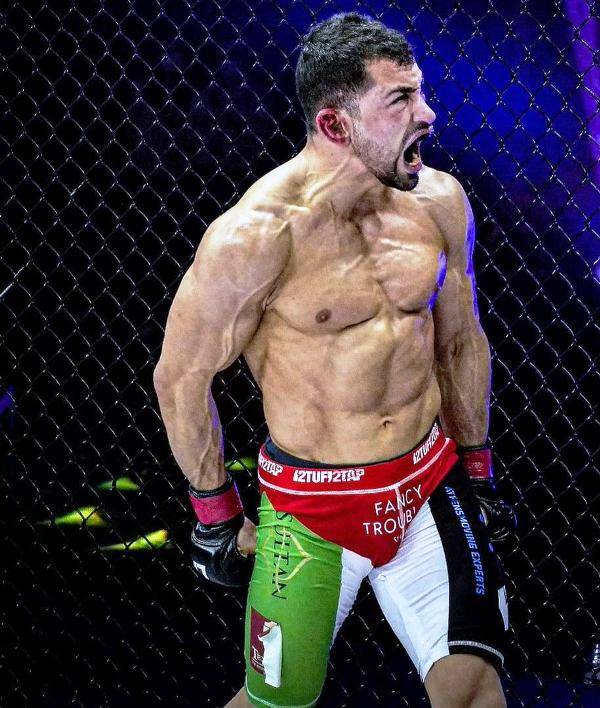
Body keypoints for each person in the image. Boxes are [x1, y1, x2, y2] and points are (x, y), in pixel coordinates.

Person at [153, 12, 517, 708]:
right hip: (311, 509)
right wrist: (215, 513)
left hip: (426, 486)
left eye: (420, 92)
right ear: (334, 124)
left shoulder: (439, 202)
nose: (427, 114)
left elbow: (460, 342)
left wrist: (477, 467)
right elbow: (181, 377)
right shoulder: (256, 237)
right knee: (272, 703)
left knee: (475, 693)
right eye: (399, 99)